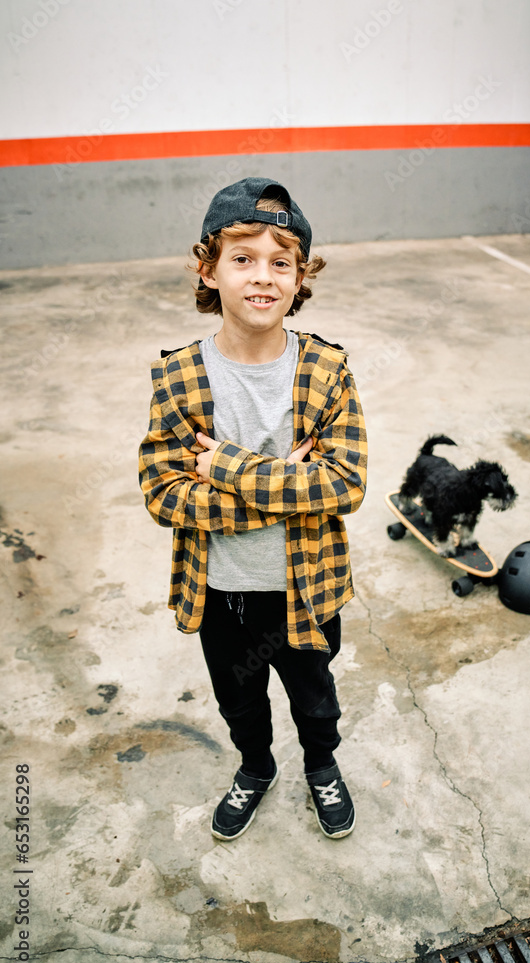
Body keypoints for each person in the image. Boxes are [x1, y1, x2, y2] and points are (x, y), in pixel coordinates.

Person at [138, 177, 367, 841]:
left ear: (300, 278)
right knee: (238, 700)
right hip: (221, 592)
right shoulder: (178, 376)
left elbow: (344, 484)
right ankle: (255, 766)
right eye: (242, 258)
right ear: (208, 270)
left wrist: (228, 470)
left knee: (314, 698)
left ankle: (321, 764)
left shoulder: (326, 371)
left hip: (307, 586)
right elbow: (161, 490)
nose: (262, 276)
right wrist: (283, 489)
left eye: (281, 261)